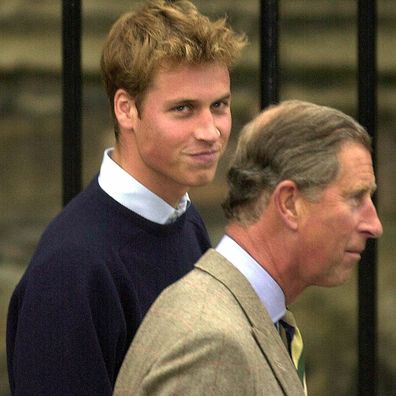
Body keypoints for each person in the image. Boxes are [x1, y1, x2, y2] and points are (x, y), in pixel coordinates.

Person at [6, 1, 247, 394]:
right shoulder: (72, 270)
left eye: (219, 105)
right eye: (183, 109)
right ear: (126, 109)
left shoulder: (184, 222)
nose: (211, 131)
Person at [113, 100, 383, 396]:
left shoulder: (246, 318)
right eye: (356, 198)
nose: (374, 225)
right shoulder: (213, 344)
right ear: (289, 203)